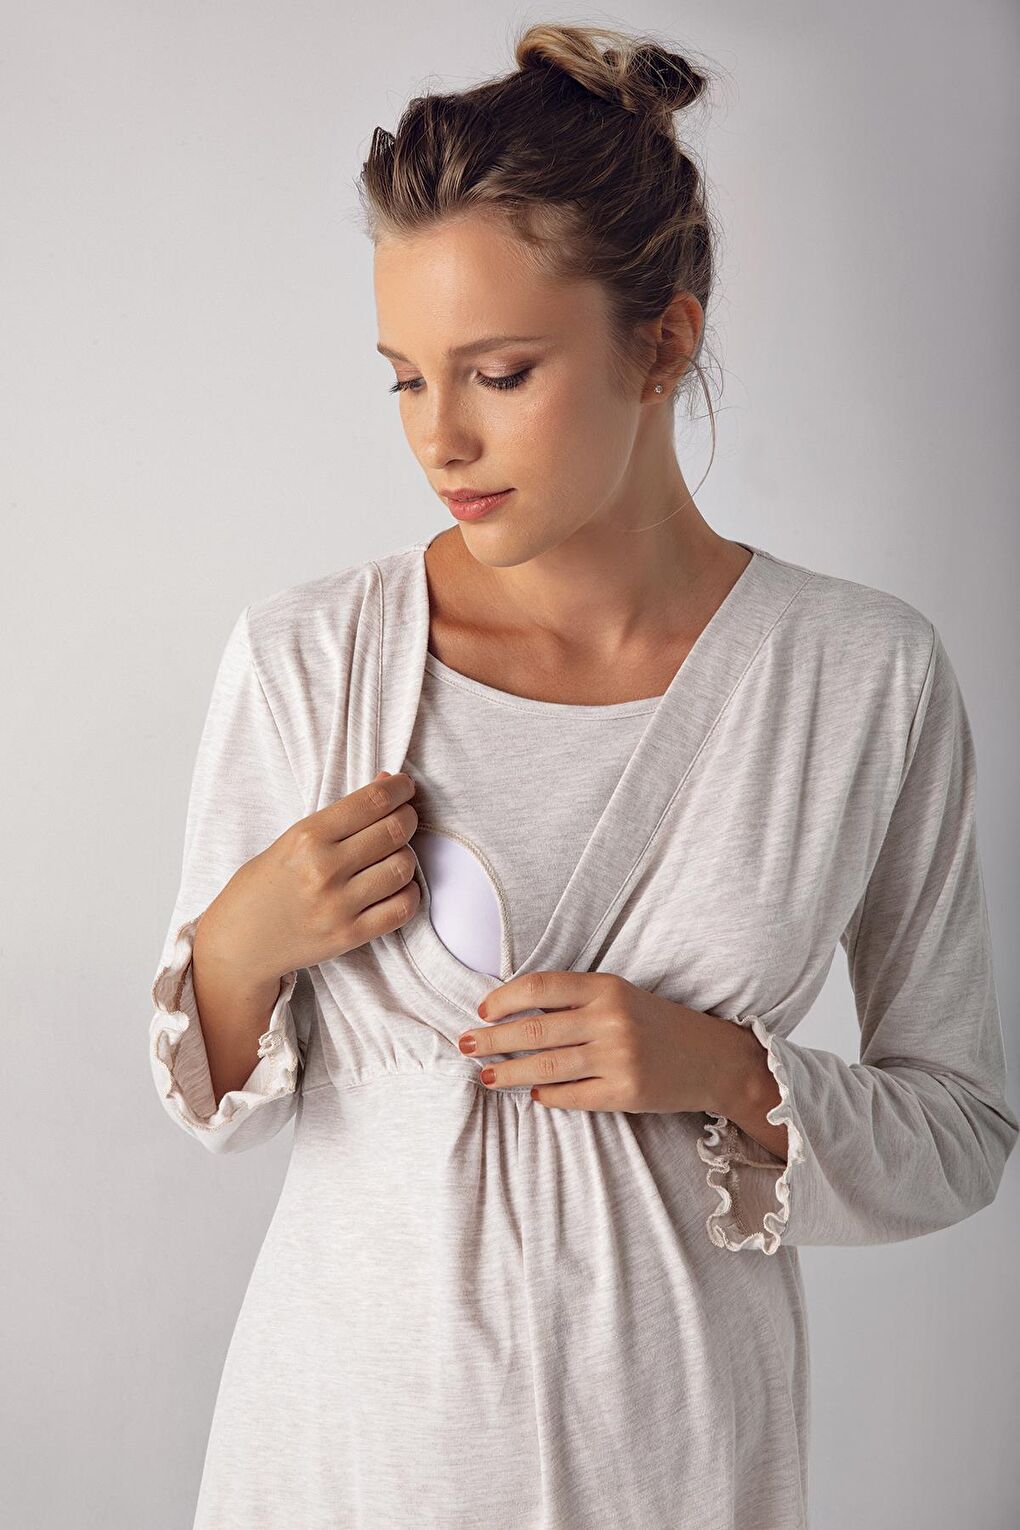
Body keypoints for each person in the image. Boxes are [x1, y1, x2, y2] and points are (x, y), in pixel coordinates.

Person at [148, 23, 1018, 1530]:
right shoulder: (310, 659)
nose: (441, 438)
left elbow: (960, 1135)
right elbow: (209, 1102)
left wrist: (725, 1071)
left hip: (673, 1471)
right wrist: (240, 941)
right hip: (339, 1464)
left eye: (499, 372)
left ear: (663, 345)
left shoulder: (861, 678)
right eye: (404, 380)